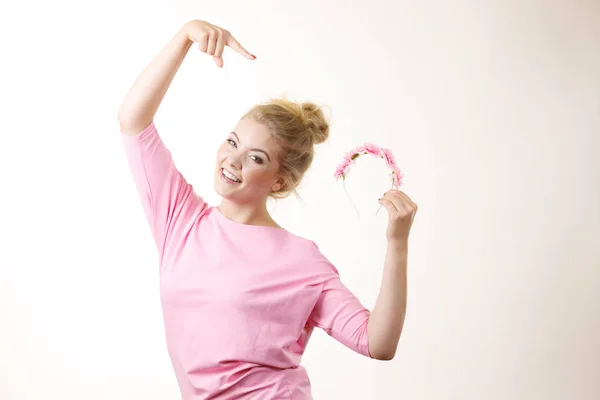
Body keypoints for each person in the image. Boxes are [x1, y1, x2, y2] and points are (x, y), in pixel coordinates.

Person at [118, 19, 417, 400]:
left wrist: (398, 243)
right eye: (232, 142)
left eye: (255, 158)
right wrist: (185, 36)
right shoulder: (181, 219)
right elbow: (133, 121)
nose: (233, 160)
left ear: (280, 181)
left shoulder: (301, 260)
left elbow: (376, 342)